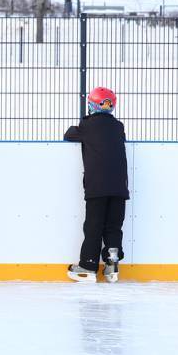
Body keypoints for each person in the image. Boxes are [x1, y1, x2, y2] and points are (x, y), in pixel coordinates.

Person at [64, 86, 127, 283]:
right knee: (114, 226)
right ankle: (112, 263)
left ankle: (88, 264)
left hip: (97, 187)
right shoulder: (118, 127)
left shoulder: (87, 125)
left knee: (94, 225)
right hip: (119, 187)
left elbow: (69, 134)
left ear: (91, 104)